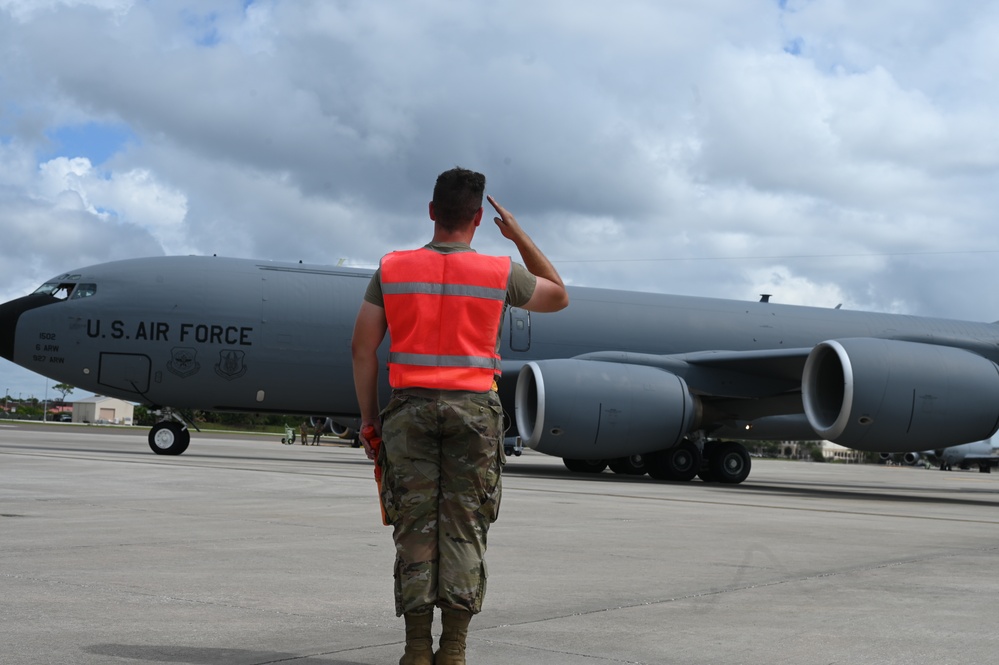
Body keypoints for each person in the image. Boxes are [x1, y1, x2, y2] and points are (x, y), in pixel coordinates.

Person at [351, 167, 569, 665]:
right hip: (475, 413)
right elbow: (558, 293)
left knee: (414, 529)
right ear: (477, 218)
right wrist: (519, 237)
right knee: (465, 528)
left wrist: (369, 420)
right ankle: (453, 651)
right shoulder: (499, 272)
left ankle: (414, 652)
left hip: (409, 413)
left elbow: (362, 348)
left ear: (431, 212)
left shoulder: (392, 268)